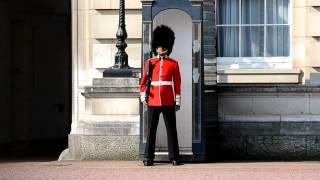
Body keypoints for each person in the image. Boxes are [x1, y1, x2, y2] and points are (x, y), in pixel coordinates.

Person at [140, 25, 183, 166]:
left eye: (164, 46)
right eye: (159, 46)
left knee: (171, 129)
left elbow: (177, 83)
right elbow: (144, 81)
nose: (161, 48)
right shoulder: (150, 63)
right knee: (151, 130)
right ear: (155, 47)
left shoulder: (173, 64)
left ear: (168, 47)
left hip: (168, 100)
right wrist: (143, 97)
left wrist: (177, 100)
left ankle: (175, 156)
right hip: (153, 100)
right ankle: (148, 157)